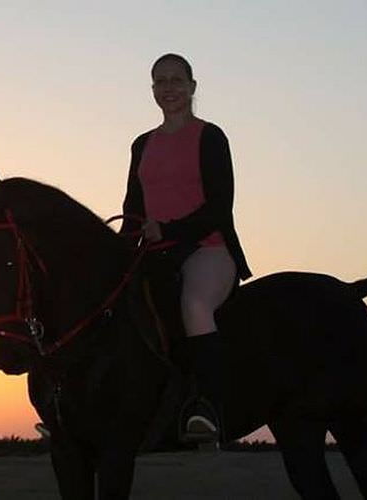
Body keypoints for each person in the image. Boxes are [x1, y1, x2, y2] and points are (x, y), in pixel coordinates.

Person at [119, 53, 251, 441]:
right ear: (153, 90)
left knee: (193, 305)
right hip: (155, 253)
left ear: (192, 87)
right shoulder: (142, 144)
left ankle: (209, 408)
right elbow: (133, 207)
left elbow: (219, 206)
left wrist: (170, 230)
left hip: (206, 248)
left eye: (177, 80)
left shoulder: (210, 136)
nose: (169, 88)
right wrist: (122, 248)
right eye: (161, 81)